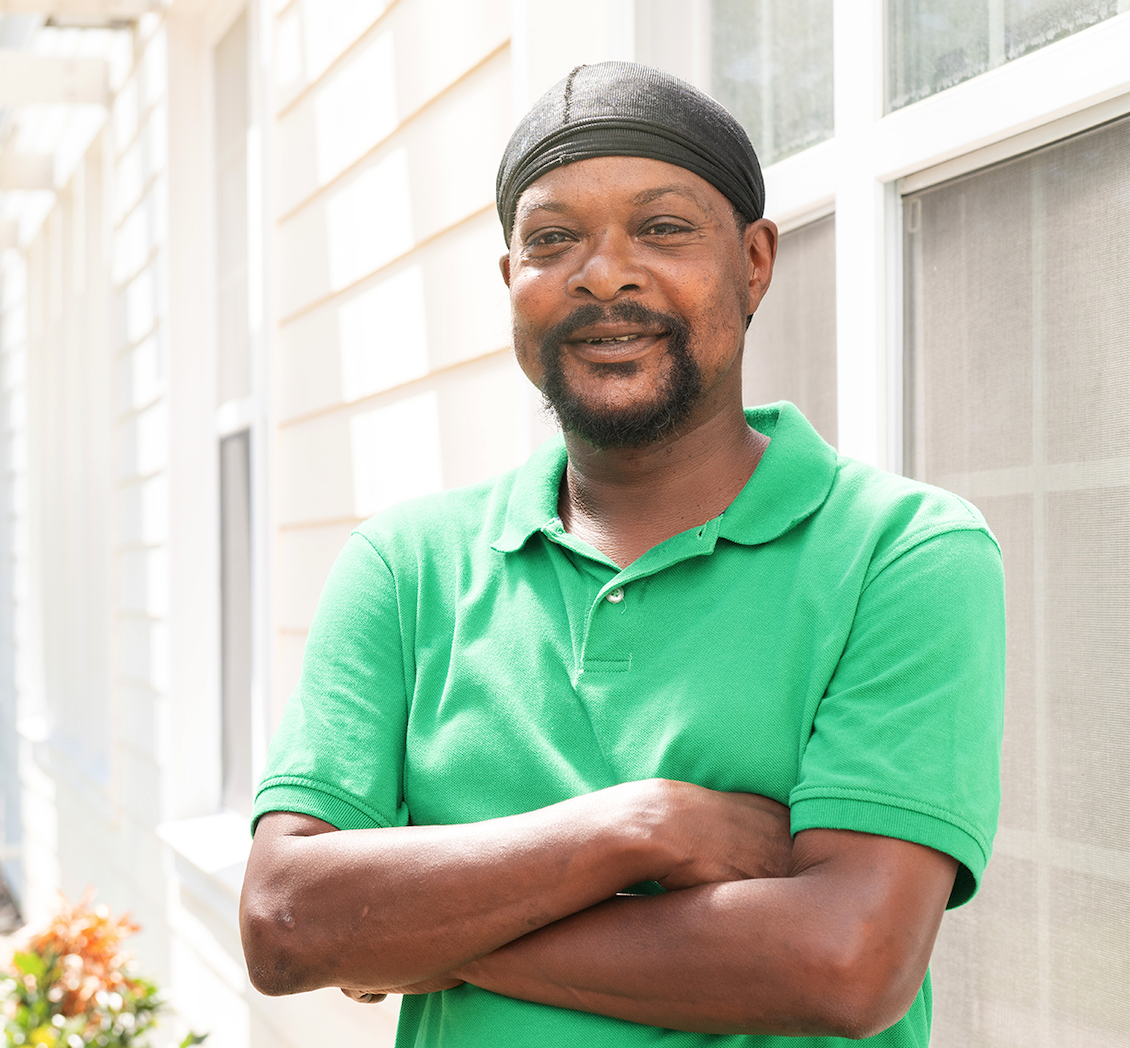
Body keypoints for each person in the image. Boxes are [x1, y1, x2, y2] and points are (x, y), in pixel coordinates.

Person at [240, 62, 1005, 1047]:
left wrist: (412, 933)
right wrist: (646, 826)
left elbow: (844, 960)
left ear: (754, 263)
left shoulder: (899, 553)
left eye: (662, 227)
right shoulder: (405, 566)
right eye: (552, 239)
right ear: (511, 279)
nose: (602, 273)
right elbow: (283, 921)